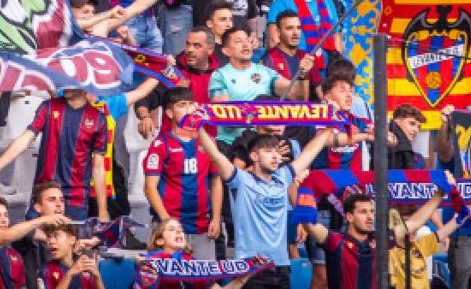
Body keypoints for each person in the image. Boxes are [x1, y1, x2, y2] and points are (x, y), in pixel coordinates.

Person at [198, 121, 334, 283]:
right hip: (250, 268)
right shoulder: (241, 180)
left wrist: (331, 125)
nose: (275, 156)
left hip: (281, 266)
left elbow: (311, 150)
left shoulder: (283, 177)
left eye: (277, 152)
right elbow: (214, 154)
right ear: (254, 156)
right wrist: (197, 125)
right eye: (269, 151)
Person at [0, 89, 110, 222]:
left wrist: (103, 212)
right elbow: (24, 140)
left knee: (70, 243)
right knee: (34, 241)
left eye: (70, 82)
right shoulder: (49, 107)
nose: (65, 85)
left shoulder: (98, 118)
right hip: (43, 193)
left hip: (76, 198)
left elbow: (98, 168)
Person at [303, 190, 446, 289]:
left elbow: (415, 221)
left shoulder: (380, 241)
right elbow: (309, 225)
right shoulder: (336, 241)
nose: (370, 217)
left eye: (371, 211)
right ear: (349, 217)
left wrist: (440, 193)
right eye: (363, 212)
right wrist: (300, 191)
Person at [143, 87, 221, 259]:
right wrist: (167, 223)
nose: (189, 108)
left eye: (191, 104)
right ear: (170, 113)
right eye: (182, 105)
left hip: (202, 226)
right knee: (166, 281)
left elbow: (216, 182)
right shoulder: (160, 145)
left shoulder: (208, 144)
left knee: (204, 281)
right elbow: (149, 188)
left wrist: (216, 218)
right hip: (169, 227)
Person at [0, 197, 67, 289]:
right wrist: (42, 220)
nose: (4, 220)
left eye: (6, 215)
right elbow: (6, 237)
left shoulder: (14, 255)